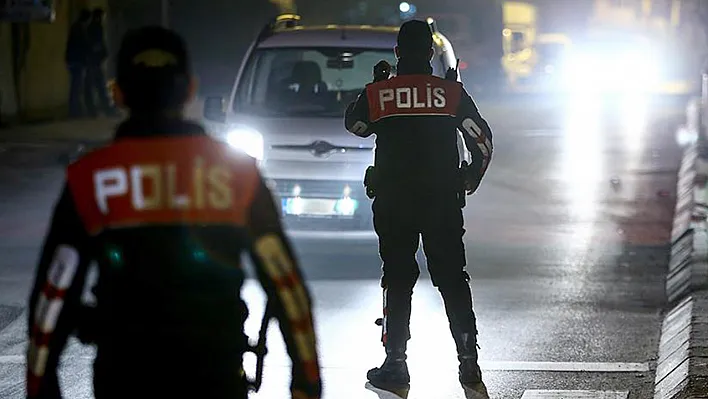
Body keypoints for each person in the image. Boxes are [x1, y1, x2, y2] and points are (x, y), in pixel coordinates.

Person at [26, 26, 321, 399]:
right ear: (190, 90)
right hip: (215, 379)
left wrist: (41, 388)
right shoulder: (236, 175)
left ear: (117, 93)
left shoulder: (92, 178)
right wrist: (306, 383)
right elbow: (287, 286)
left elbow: (51, 301)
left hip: (124, 379)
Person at [344, 20, 493, 397]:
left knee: (397, 277)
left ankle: (395, 364)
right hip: (442, 202)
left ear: (397, 53)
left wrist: (377, 85)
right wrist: (469, 177)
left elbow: (356, 125)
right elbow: (483, 141)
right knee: (453, 278)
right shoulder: (450, 92)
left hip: (394, 202)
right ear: (430, 53)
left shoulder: (382, 93)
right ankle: (468, 361)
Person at [84, 8, 114, 117]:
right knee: (99, 86)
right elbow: (97, 44)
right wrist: (102, 53)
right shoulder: (96, 27)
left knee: (93, 86)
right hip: (95, 61)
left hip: (92, 61)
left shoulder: (90, 27)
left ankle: (93, 111)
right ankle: (106, 110)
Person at [65, 9, 91, 118]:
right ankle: (75, 111)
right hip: (78, 61)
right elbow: (83, 46)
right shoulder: (81, 29)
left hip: (72, 60)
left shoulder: (75, 27)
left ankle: (75, 110)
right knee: (77, 87)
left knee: (75, 86)